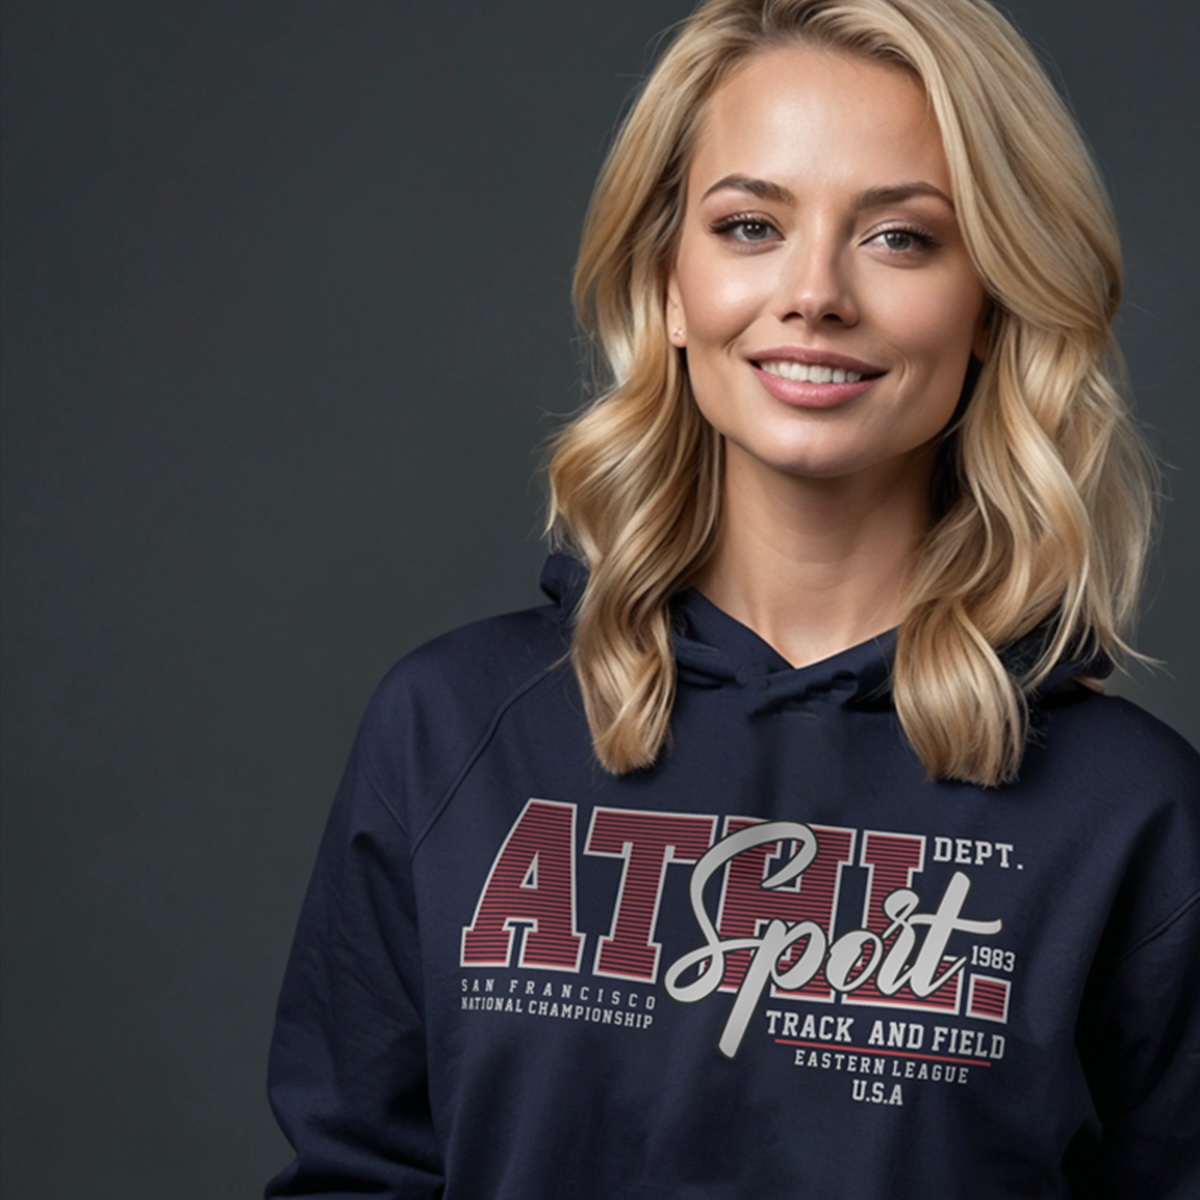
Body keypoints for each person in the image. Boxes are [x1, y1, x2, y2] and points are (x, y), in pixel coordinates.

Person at [265, 0, 1199, 1195]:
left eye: (901, 239)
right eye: (751, 225)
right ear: (668, 281)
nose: (814, 294)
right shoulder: (452, 732)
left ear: (993, 303)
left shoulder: (1132, 816)